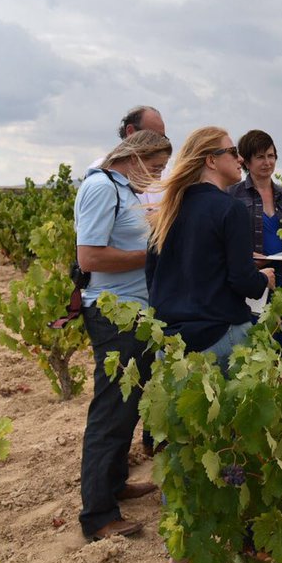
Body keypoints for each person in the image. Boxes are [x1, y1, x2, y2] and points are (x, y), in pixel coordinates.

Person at [144, 126, 276, 563]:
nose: (239, 159)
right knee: (239, 441)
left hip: (175, 348)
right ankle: (244, 541)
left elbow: (156, 280)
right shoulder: (229, 208)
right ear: (209, 160)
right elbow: (241, 280)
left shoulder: (167, 210)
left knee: (181, 451)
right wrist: (264, 280)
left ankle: (180, 555)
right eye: (231, 152)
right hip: (222, 337)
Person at [76, 129, 172, 541]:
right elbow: (89, 256)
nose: (156, 177)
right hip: (114, 314)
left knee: (127, 406)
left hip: (133, 312)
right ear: (133, 158)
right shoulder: (101, 187)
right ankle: (98, 516)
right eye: (155, 168)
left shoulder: (122, 188)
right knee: (111, 412)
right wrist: (152, 257)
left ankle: (115, 484)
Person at [226, 130, 282, 356]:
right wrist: (246, 258)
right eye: (260, 157)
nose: (267, 162)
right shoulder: (232, 195)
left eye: (271, 156)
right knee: (254, 343)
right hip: (252, 278)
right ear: (246, 162)